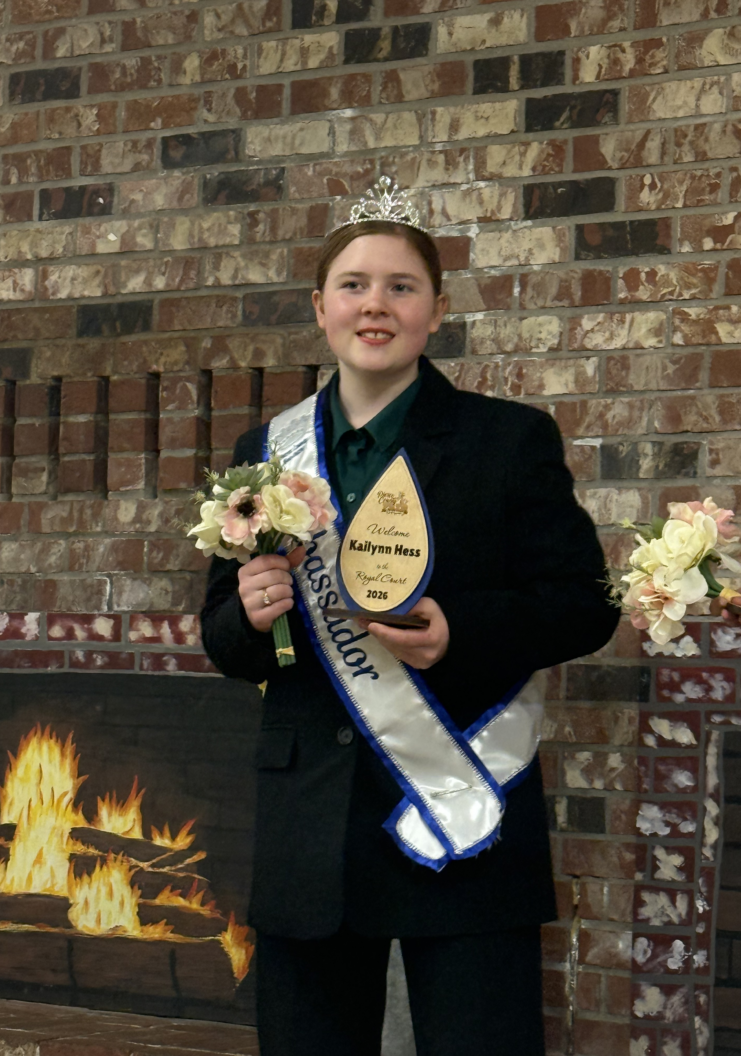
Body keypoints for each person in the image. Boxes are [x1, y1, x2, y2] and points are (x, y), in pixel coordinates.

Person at [201, 180, 620, 1056]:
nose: (376, 305)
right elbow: (225, 639)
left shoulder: (509, 440)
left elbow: (584, 604)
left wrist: (458, 629)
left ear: (436, 311)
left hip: (461, 812)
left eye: (401, 286)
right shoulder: (264, 451)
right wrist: (247, 616)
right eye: (354, 285)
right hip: (309, 826)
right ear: (321, 308)